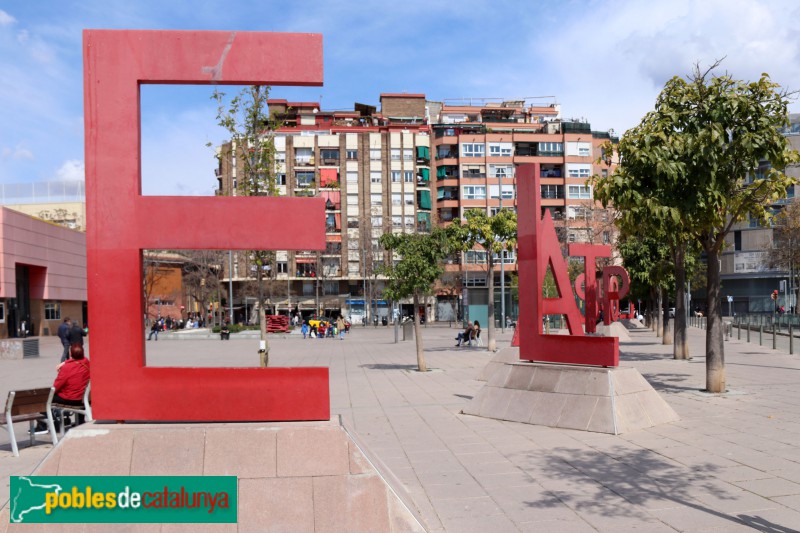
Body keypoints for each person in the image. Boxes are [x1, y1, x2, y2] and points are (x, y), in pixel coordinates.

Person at [52, 344, 91, 429]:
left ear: (70, 354)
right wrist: (65, 362)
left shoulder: (67, 368)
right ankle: (80, 422)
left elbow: (56, 386)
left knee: (46, 399)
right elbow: (80, 360)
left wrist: (65, 364)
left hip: (71, 399)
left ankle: (45, 424)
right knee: (79, 389)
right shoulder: (87, 363)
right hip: (84, 399)